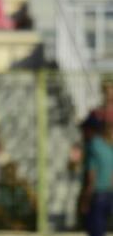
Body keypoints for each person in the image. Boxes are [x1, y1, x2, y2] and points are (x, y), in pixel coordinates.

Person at [79, 79, 113, 236]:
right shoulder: (98, 113)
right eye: (107, 90)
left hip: (99, 191)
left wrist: (86, 199)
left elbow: (91, 177)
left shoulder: (94, 147)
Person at [0, 162, 36, 230]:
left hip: (23, 219)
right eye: (7, 174)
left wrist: (28, 190)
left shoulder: (23, 187)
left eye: (12, 174)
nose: (10, 177)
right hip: (5, 222)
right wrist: (11, 224)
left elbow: (34, 204)